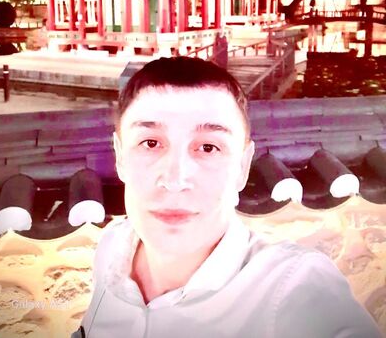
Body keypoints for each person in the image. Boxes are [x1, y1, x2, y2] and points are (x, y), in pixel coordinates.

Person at [73, 57, 382, 338]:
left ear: (242, 167)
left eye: (208, 147)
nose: (175, 180)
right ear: (120, 157)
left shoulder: (295, 288)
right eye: (150, 143)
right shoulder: (112, 248)